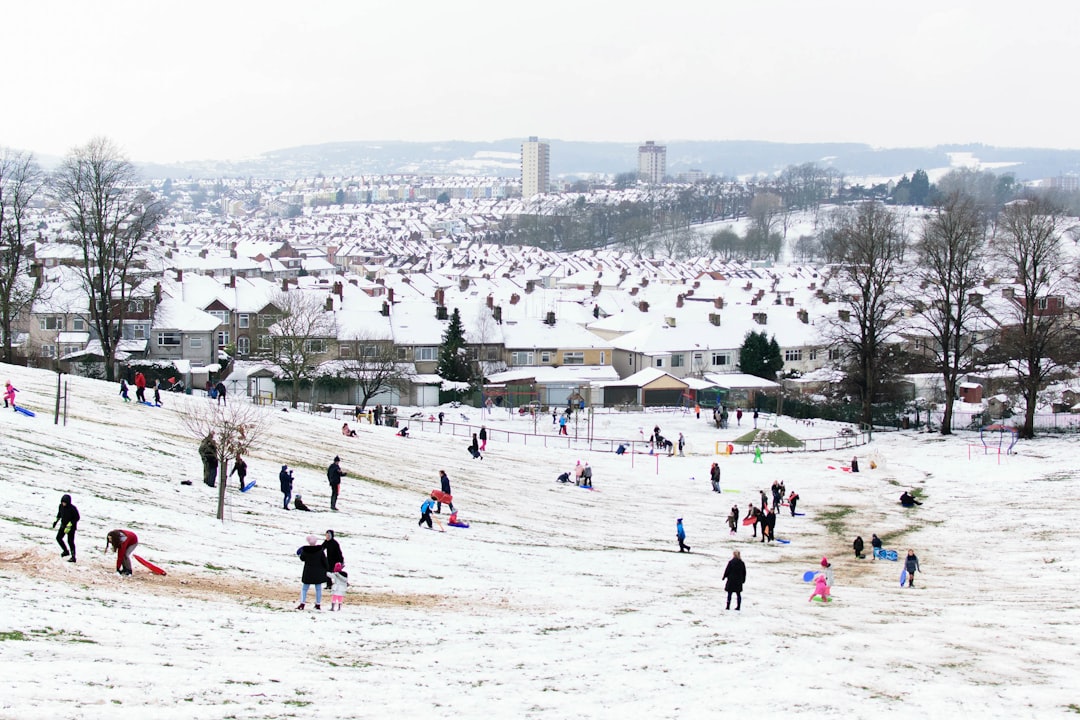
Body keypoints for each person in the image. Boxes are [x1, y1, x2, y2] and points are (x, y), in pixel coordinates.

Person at [296, 535, 328, 610]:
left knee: (304, 588)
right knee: (318, 589)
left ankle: (302, 603)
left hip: (308, 571)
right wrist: (326, 568)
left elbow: (302, 558)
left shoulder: (305, 550)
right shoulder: (320, 550)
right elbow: (324, 560)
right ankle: (318, 604)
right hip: (318, 571)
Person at [52, 493, 80, 563]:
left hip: (71, 528)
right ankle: (65, 551)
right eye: (62, 502)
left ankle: (73, 557)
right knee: (58, 538)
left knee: (70, 541)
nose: (63, 504)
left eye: (65, 503)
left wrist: (70, 524)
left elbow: (77, 517)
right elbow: (59, 514)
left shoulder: (73, 508)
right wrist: (56, 521)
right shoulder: (61, 506)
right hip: (63, 525)